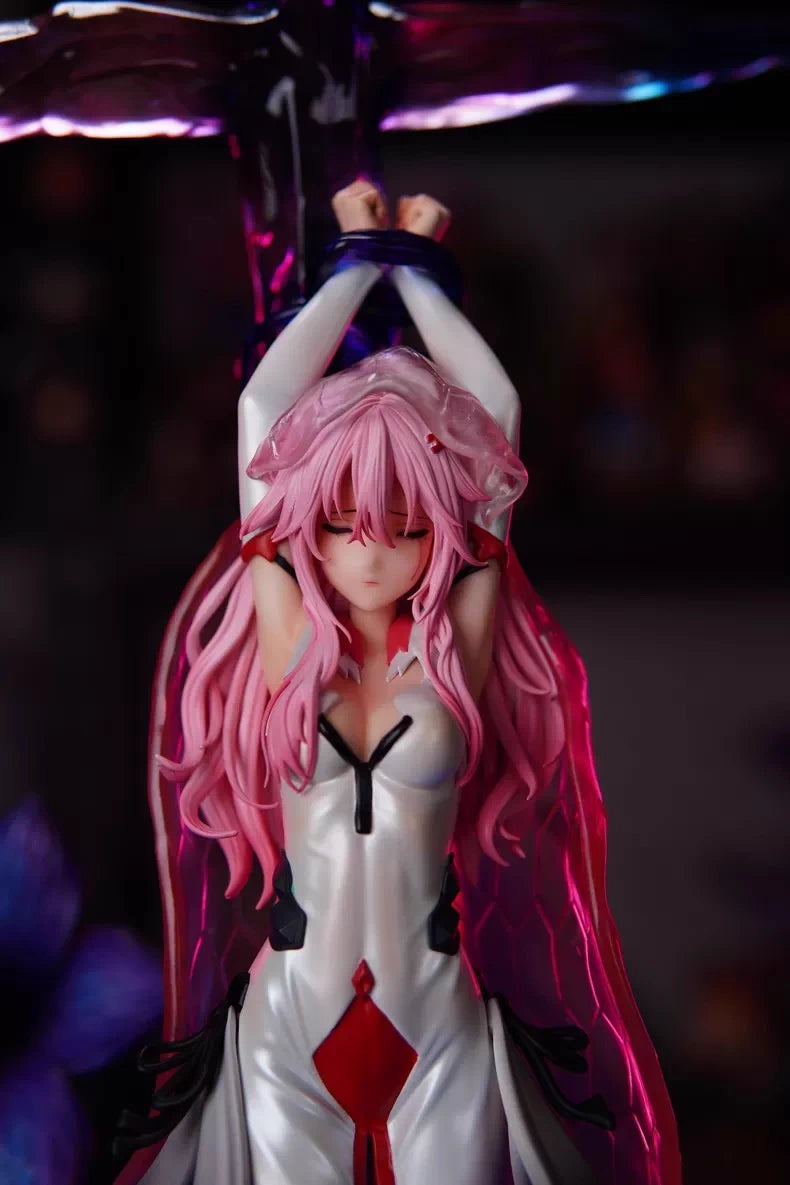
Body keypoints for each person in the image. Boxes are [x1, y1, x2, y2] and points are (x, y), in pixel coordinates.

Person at [116, 183, 680, 1185]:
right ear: (309, 527)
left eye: (406, 526)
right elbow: (260, 411)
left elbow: (496, 412)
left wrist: (414, 269)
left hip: (438, 1015)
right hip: (290, 1019)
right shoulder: (293, 642)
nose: (371, 552)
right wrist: (358, 259)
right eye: (341, 524)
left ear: (438, 531)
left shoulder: (453, 648)